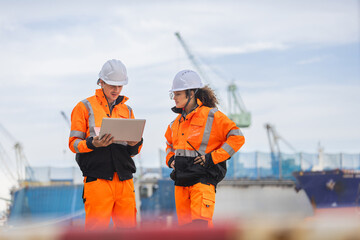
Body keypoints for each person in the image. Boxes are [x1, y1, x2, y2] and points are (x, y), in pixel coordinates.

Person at [69, 59, 143, 230]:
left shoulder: (128, 110)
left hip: (124, 180)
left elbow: (133, 150)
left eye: (120, 86)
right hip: (98, 180)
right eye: (111, 85)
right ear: (101, 82)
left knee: (129, 232)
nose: (116, 90)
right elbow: (73, 144)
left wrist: (135, 144)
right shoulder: (84, 107)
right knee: (96, 232)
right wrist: (92, 143)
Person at [165, 70, 245, 227]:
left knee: (200, 231)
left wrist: (213, 157)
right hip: (181, 184)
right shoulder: (175, 124)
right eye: (173, 94)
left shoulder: (212, 116)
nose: (174, 98)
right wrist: (170, 160)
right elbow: (169, 145)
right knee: (185, 234)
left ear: (192, 93)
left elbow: (237, 137)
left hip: (202, 183)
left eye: (178, 94)